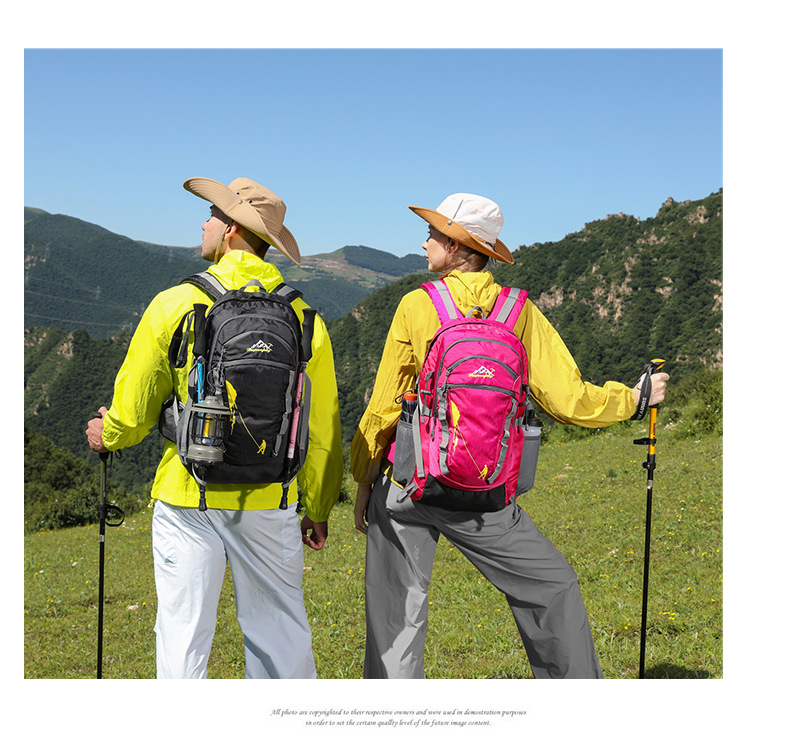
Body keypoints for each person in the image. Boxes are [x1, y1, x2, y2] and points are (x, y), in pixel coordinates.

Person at [351, 192, 669, 679]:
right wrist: (633, 398)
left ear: (459, 248)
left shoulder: (417, 305)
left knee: (397, 619)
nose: (425, 241)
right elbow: (567, 401)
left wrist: (365, 477)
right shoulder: (519, 311)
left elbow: (384, 405)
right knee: (553, 587)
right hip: (485, 491)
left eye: (435, 234)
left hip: (408, 487)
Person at [86, 177, 343, 679]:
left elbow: (136, 404)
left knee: (184, 634)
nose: (202, 223)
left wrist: (108, 434)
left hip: (190, 492)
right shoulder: (303, 314)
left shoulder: (175, 303)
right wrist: (318, 503)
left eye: (210, 214)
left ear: (229, 230)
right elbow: (322, 423)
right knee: (280, 635)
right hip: (271, 495)